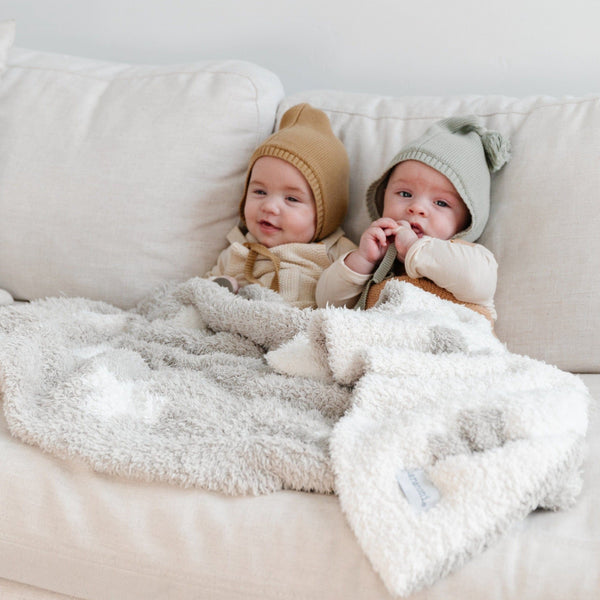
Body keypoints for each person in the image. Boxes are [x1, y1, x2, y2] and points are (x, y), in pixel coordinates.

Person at [315, 116, 511, 320]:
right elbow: (326, 303)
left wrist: (413, 248)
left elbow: (476, 280)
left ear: (468, 220)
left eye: (441, 203)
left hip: (449, 345)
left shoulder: (470, 257)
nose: (416, 208)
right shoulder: (375, 259)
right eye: (405, 194)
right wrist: (362, 260)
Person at [206, 103, 356, 309]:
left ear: (326, 214)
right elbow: (203, 293)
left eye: (292, 199)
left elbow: (358, 293)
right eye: (259, 192)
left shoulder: (337, 253)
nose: (269, 207)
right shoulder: (237, 250)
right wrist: (219, 289)